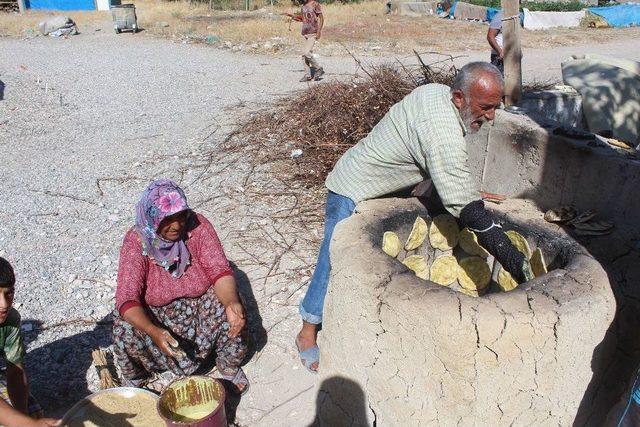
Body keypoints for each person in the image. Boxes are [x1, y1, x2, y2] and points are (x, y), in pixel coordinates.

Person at [295, 62, 533, 372]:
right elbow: (462, 198)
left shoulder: (437, 93)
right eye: (485, 107)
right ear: (459, 97)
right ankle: (307, 332)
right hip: (352, 187)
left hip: (378, 186)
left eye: (495, 107)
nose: (490, 116)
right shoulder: (441, 130)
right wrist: (508, 254)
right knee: (331, 258)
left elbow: (435, 162)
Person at [112, 179, 249, 394]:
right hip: (158, 318)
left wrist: (231, 302)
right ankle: (137, 380)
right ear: (152, 218)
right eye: (167, 219)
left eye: (180, 217)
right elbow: (126, 297)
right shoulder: (137, 240)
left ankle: (228, 364)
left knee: (232, 305)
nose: (176, 226)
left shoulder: (198, 226)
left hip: (199, 311)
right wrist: (152, 330)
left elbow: (219, 270)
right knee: (123, 325)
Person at [0, 258, 60, 427]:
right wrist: (27, 424)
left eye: (8, 293)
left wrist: (23, 415)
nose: (4, 304)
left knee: (33, 412)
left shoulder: (10, 319)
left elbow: (15, 371)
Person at [285, 0, 325, 82]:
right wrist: (293, 16)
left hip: (313, 33)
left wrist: (319, 31)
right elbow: (304, 19)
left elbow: (321, 18)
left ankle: (318, 68)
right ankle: (307, 75)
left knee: (307, 53)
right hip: (304, 33)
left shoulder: (315, 4)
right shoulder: (303, 6)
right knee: (304, 55)